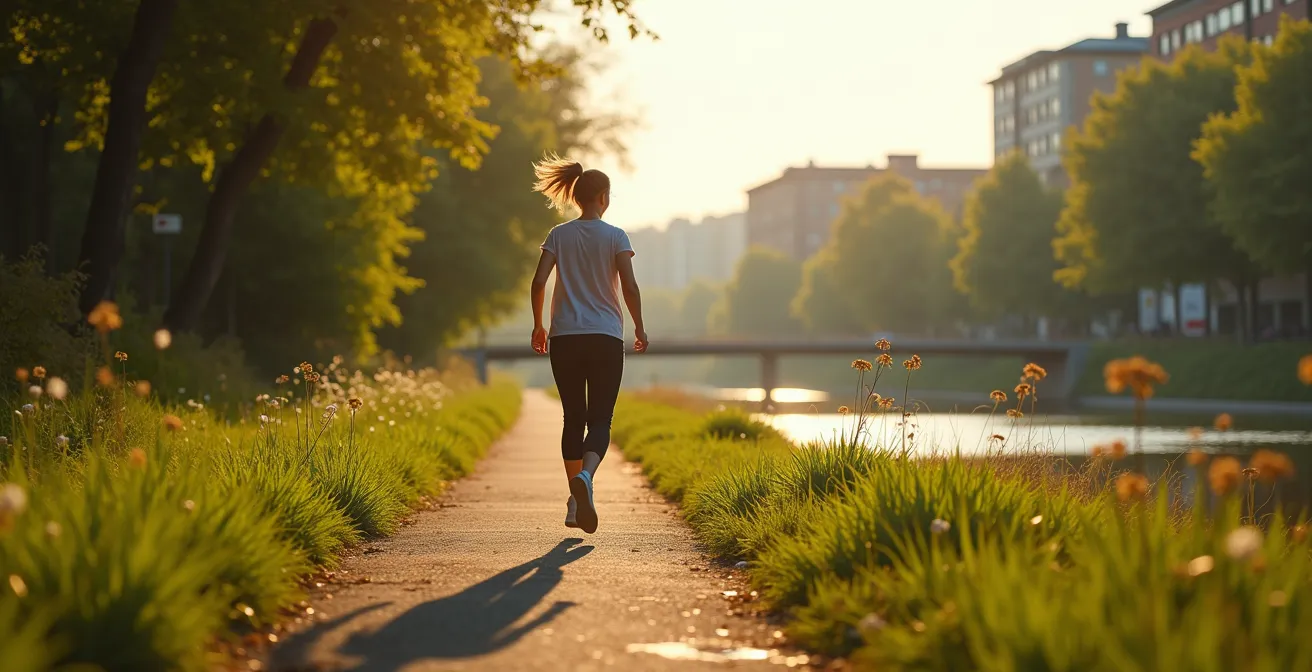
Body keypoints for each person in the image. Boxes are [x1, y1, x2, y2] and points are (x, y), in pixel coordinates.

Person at [528, 154, 648, 535]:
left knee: (572, 418)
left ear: (578, 196)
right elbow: (628, 285)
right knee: (600, 419)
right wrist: (640, 327)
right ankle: (587, 479)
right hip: (605, 337)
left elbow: (538, 282)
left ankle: (574, 499)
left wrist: (538, 325)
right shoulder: (616, 236)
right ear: (604, 197)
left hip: (565, 337)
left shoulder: (557, 235)